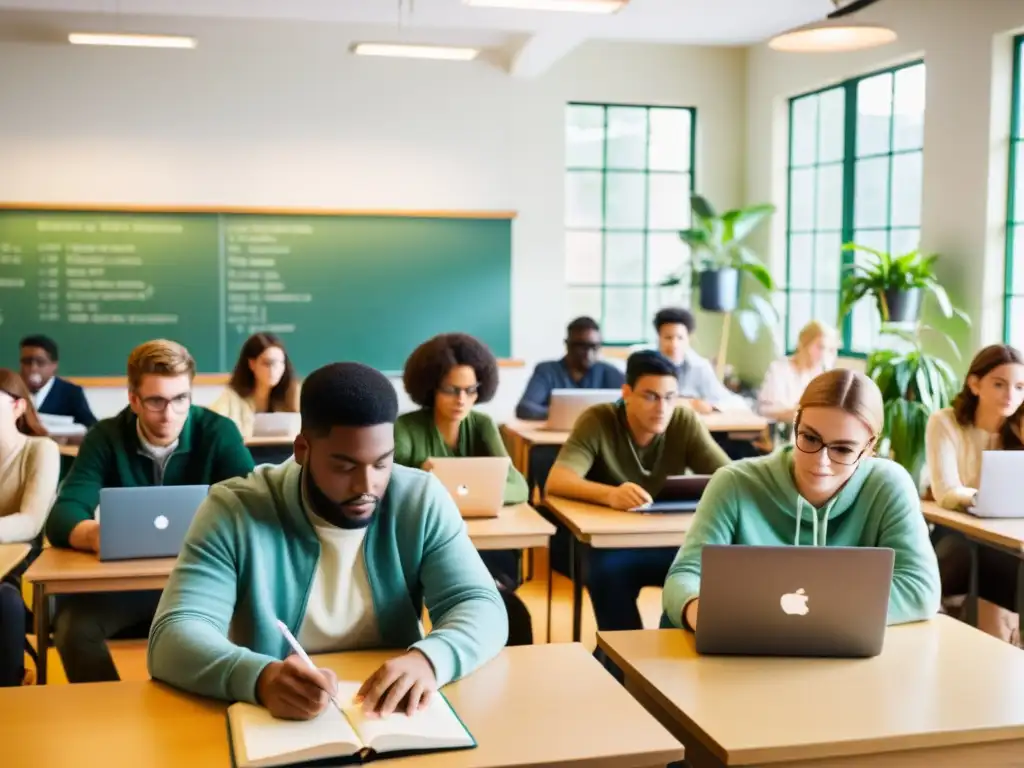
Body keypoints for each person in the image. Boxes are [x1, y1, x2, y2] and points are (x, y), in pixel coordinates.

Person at [148, 362, 508, 720]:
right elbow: (173, 635)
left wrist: (432, 659)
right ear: (303, 450)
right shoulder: (234, 510)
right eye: (345, 466)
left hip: (390, 718)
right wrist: (257, 677)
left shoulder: (420, 498)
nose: (367, 487)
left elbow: (480, 604)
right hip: (271, 723)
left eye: (382, 463)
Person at [663, 369, 941, 633]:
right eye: (809, 438)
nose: (820, 461)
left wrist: (810, 611)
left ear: (869, 447)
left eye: (843, 449)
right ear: (795, 424)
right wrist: (702, 614)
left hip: (844, 660)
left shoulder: (889, 485)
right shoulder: (734, 483)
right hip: (742, 657)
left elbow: (920, 588)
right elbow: (685, 575)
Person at [45, 339, 255, 684]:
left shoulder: (218, 433)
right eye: (156, 401)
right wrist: (94, 534)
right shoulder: (106, 436)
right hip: (130, 586)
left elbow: (251, 505)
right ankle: (110, 714)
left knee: (243, 623)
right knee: (73, 628)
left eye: (180, 399)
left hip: (204, 578)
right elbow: (63, 514)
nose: (169, 414)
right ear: (134, 400)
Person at [544, 350, 730, 632]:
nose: (662, 408)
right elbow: (558, 480)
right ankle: (620, 660)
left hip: (672, 542)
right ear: (627, 393)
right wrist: (609, 494)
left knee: (710, 571)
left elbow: (729, 479)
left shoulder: (683, 421)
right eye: (650, 396)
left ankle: (671, 653)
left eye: (670, 397)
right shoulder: (598, 419)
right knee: (607, 573)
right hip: (614, 545)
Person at [394, 333, 528, 592]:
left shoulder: (483, 424)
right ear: (431, 387)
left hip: (483, 536)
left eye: (470, 390)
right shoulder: (406, 427)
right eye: (451, 390)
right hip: (428, 535)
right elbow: (394, 485)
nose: (461, 400)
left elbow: (518, 486)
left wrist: (484, 496)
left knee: (497, 574)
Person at [926, 344, 1024, 624]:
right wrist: (983, 498)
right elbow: (945, 491)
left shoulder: (1018, 427)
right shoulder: (945, 422)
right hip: (956, 530)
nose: (1011, 395)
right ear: (975, 384)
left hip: (1007, 534)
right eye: (999, 384)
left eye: (1020, 387)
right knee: (990, 559)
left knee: (1004, 558)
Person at [0, 369, 60, 686]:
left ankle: (9, 689)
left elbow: (30, 522)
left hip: (17, 567)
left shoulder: (40, 450)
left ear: (18, 407)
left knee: (5, 602)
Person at [516, 316, 624, 420]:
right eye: (581, 346)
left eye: (594, 347)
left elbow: (629, 405)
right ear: (567, 344)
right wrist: (566, 416)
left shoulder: (610, 372)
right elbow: (524, 408)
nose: (588, 353)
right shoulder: (547, 371)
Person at [208, 332, 300, 439]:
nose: (275, 369)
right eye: (268, 363)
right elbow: (211, 431)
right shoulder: (230, 399)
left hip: (283, 454)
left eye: (281, 362)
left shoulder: (293, 395)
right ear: (252, 364)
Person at [653, 307, 743, 413]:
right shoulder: (645, 364)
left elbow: (734, 402)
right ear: (658, 338)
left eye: (680, 338)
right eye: (668, 338)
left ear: (689, 339)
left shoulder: (699, 367)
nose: (674, 344)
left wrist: (707, 406)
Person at [758, 320, 838, 423]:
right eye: (820, 347)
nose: (823, 355)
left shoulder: (820, 375)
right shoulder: (778, 369)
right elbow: (764, 410)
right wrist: (796, 413)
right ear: (803, 343)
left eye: (827, 349)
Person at [19, 335, 97, 427]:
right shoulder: (11, 391)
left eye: (40, 362)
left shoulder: (71, 393)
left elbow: (91, 428)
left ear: (54, 366)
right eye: (27, 362)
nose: (33, 368)